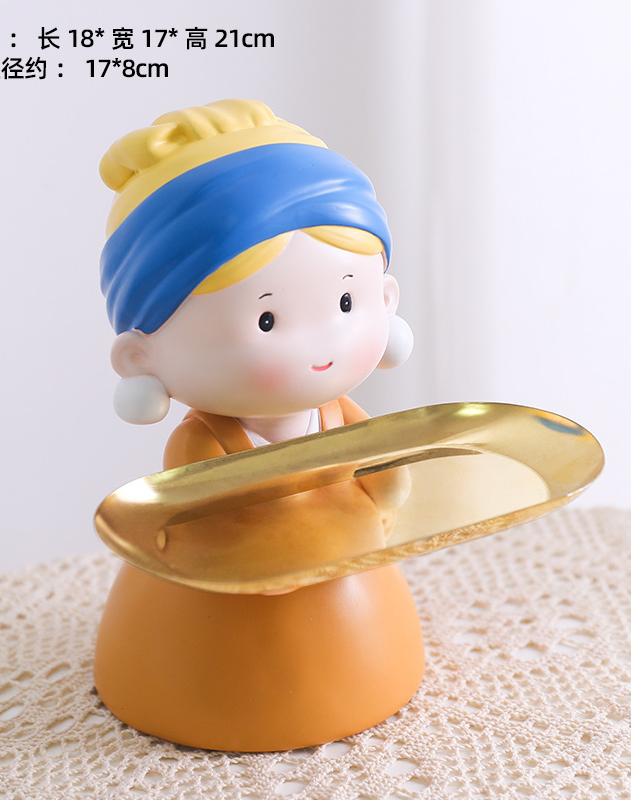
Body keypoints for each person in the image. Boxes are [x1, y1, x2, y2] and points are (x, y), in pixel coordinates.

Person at [94, 100, 424, 751]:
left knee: (370, 653)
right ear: (142, 357)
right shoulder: (205, 443)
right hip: (215, 626)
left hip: (354, 594)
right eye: (268, 320)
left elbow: (376, 466)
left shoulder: (337, 415)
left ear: (385, 299)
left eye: (347, 301)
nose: (322, 342)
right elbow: (199, 512)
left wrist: (384, 487)